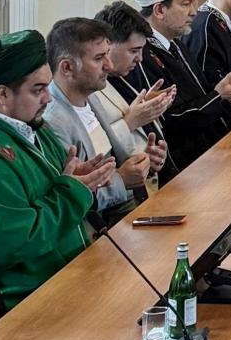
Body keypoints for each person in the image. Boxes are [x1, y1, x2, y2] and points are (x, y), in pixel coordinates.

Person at [0, 29, 117, 309]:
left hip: (74, 273)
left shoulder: (35, 126)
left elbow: (60, 184)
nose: (48, 98)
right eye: (38, 90)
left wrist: (79, 180)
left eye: (48, 87)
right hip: (33, 300)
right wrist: (72, 192)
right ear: (3, 94)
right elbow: (16, 241)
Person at [121, 0, 231, 172]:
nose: (193, 12)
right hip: (186, 165)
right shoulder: (142, 55)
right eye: (185, 4)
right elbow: (169, 119)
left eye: (193, 3)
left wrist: (222, 90)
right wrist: (219, 95)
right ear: (159, 10)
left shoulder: (175, 43)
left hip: (210, 152)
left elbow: (199, 95)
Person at [42, 18, 167, 222]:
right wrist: (122, 180)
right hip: (101, 225)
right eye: (99, 58)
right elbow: (71, 198)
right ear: (67, 67)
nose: (109, 65)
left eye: (107, 54)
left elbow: (114, 158)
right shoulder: (53, 122)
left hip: (132, 204)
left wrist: (144, 161)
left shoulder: (91, 97)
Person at [95, 1, 179, 185]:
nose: (140, 59)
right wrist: (131, 121)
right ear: (108, 45)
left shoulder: (126, 74)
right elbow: (94, 149)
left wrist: (152, 156)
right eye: (133, 51)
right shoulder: (91, 87)